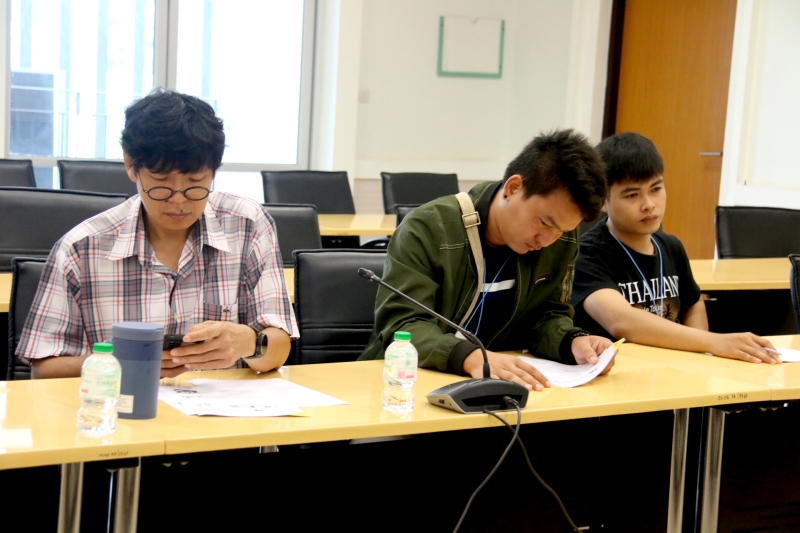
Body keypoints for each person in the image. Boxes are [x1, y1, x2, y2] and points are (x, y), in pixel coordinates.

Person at [18, 88, 297, 378]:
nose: (178, 200)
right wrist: (120, 363)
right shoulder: (81, 248)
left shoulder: (247, 225)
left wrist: (250, 343)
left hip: (224, 405)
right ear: (131, 166)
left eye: (195, 182)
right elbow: (44, 371)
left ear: (214, 171)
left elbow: (280, 347)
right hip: (122, 403)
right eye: (161, 182)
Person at [360, 129, 613, 391]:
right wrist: (470, 357)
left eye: (561, 230)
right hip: (404, 385)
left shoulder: (562, 239)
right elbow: (404, 326)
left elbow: (547, 316)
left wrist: (571, 341)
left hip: (500, 386)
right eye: (544, 222)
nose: (547, 240)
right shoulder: (428, 229)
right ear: (513, 188)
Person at [571, 132, 778, 363]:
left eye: (656, 189)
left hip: (674, 366)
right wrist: (713, 342)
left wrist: (698, 355)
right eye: (632, 195)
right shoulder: (586, 254)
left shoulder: (670, 246)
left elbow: (693, 302)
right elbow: (620, 320)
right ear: (602, 201)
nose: (649, 204)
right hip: (621, 370)